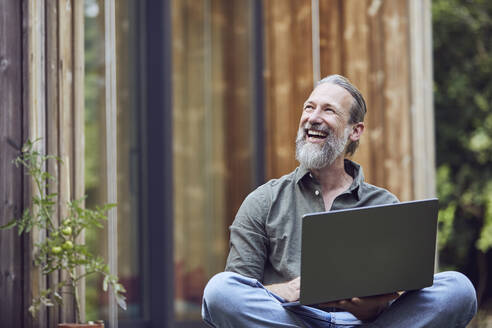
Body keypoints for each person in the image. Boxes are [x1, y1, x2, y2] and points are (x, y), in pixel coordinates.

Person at [201, 75, 477, 327]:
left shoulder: (384, 203)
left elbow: (402, 297)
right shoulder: (264, 200)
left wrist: (374, 308)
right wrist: (286, 291)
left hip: (366, 324)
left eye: (328, 110)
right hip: (291, 320)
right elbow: (239, 289)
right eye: (309, 107)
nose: (313, 118)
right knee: (219, 290)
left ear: (354, 131)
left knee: (458, 289)